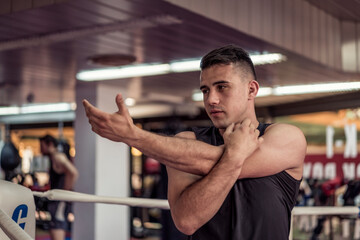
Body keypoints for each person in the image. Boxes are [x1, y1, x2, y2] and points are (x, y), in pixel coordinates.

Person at [83, 44, 306, 239]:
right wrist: (234, 155)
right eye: (205, 90)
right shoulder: (186, 142)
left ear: (251, 89)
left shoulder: (286, 138)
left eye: (222, 87)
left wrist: (134, 136)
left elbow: (200, 159)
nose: (211, 99)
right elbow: (187, 221)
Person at [39, 135, 78, 240]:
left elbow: (73, 173)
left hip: (60, 202)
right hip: (57, 201)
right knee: (54, 228)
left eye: (42, 146)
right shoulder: (54, 157)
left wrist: (64, 193)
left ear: (50, 145)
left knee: (57, 228)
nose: (40, 149)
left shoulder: (58, 157)